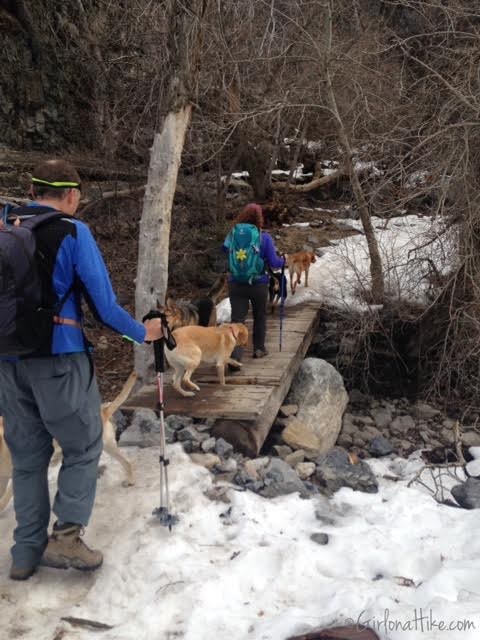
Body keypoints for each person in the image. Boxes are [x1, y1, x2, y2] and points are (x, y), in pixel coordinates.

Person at [0, 159, 163, 581]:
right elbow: (105, 308)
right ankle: (67, 536)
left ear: (34, 190)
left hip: (8, 363)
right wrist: (142, 334)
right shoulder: (73, 231)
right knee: (85, 445)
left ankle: (24, 553)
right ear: (71, 195)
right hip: (60, 361)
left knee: (28, 460)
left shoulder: (4, 226)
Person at [223, 203, 285, 362]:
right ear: (259, 218)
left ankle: (235, 357)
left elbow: (224, 250)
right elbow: (273, 262)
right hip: (258, 284)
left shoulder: (233, 234)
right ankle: (259, 349)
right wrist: (283, 260)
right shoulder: (264, 237)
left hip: (236, 283)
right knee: (259, 316)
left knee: (237, 320)